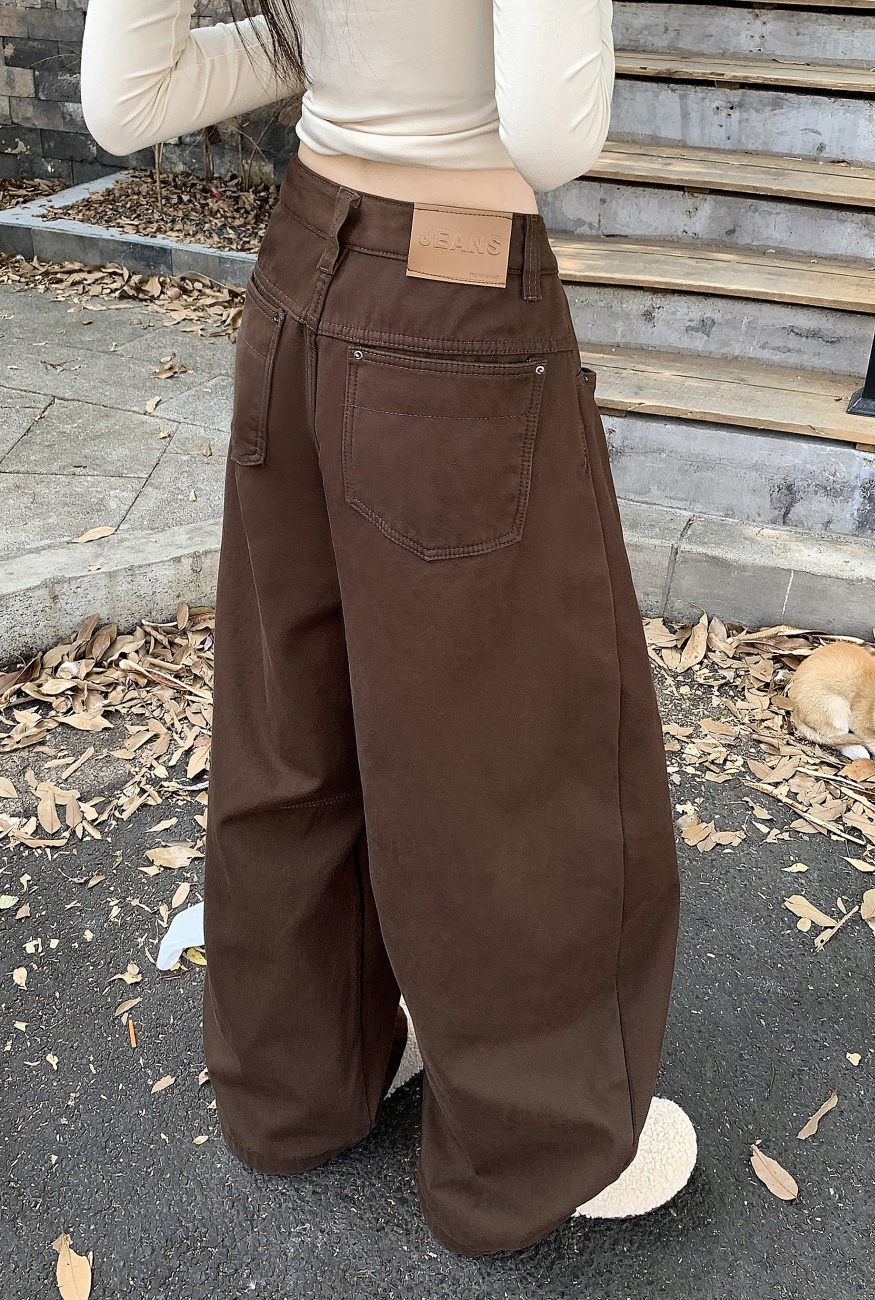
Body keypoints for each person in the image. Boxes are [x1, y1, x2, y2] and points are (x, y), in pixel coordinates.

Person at [80, 0, 695, 1257]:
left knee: (290, 721)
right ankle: (532, 1150)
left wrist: (342, 52)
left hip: (300, 275)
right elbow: (551, 132)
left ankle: (294, 1090)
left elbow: (126, 103)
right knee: (503, 756)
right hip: (453, 305)